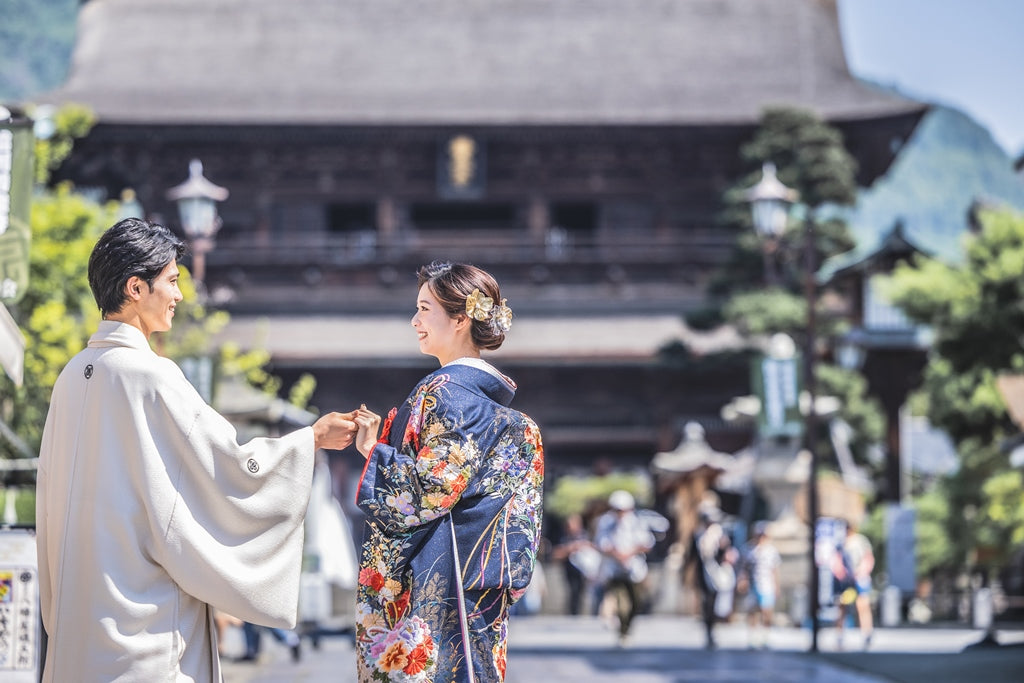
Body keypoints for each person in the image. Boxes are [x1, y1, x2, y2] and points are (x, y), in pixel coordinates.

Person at [35, 218, 359, 682]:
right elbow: (227, 470)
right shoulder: (151, 376)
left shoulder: (72, 376)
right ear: (134, 287)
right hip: (143, 629)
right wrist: (308, 440)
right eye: (171, 281)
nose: (179, 295)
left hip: (81, 621)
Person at [351, 261, 544, 683]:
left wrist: (373, 451)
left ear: (459, 319)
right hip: (481, 584)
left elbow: (430, 491)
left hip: (434, 584)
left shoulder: (444, 394)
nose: (414, 320)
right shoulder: (513, 421)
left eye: (424, 308)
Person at [592, 489, 656, 647]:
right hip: (614, 570)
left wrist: (630, 553)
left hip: (634, 570)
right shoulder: (606, 522)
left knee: (635, 602)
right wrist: (616, 554)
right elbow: (600, 543)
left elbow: (647, 543)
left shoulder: (637, 522)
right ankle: (622, 631)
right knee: (621, 602)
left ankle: (627, 628)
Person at [688, 503, 736, 650]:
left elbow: (728, 553)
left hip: (719, 574)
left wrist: (725, 550)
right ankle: (709, 630)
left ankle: (715, 626)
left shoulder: (721, 535)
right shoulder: (698, 536)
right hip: (704, 574)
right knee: (706, 603)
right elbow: (692, 557)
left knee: (717, 603)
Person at [738, 521, 781, 649]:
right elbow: (743, 568)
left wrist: (776, 585)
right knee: (753, 611)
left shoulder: (771, 551)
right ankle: (753, 637)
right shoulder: (748, 550)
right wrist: (742, 580)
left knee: (767, 611)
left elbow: (775, 569)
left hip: (767, 584)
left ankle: (766, 636)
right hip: (753, 584)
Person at [833, 520, 875, 650]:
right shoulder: (840, 542)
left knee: (862, 605)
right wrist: (841, 574)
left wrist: (862, 571)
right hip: (845, 580)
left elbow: (868, 558)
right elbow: (836, 561)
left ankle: (867, 633)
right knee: (842, 606)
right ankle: (840, 635)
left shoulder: (861, 541)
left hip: (860, 578)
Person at [550, 513, 598, 615]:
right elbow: (555, 554)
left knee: (583, 593)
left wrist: (583, 546)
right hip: (569, 571)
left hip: (585, 571)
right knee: (572, 592)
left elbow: (596, 549)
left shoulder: (585, 536)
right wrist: (570, 549)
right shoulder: (563, 538)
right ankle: (572, 612)